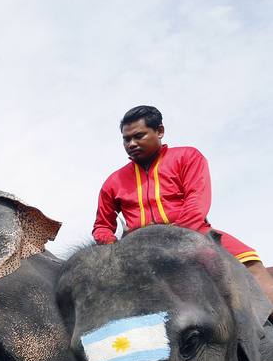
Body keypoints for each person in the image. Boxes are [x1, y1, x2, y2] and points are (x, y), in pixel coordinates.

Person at [93, 104, 273, 304]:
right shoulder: (113, 181)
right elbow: (102, 225)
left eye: (139, 136)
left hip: (194, 234)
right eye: (126, 139)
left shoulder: (187, 157)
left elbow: (196, 202)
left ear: (159, 131)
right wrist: (114, 249)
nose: (132, 143)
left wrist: (173, 236)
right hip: (138, 246)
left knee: (253, 265)